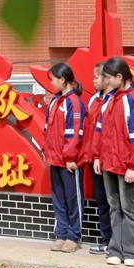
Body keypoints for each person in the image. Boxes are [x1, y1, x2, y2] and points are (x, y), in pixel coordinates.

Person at [93, 57, 134, 267]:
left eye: (107, 77)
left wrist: (133, 165)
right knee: (114, 206)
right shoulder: (109, 99)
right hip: (108, 162)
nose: (105, 81)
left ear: (119, 76)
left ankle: (131, 252)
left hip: (126, 165)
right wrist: (97, 156)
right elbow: (100, 130)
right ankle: (115, 249)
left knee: (128, 208)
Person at [43, 62, 86, 253]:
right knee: (59, 199)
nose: (51, 83)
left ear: (62, 79)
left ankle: (73, 236)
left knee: (72, 198)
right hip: (54, 159)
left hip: (69, 161)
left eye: (53, 80)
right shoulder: (55, 101)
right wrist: (47, 152)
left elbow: (74, 132)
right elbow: (48, 129)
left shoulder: (73, 102)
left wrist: (70, 156)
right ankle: (61, 233)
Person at [83, 61, 112, 255]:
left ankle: (118, 242)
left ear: (107, 78)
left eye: (97, 77)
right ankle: (106, 239)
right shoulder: (93, 99)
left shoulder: (115, 99)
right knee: (102, 201)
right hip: (94, 158)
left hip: (109, 159)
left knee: (114, 202)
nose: (93, 80)